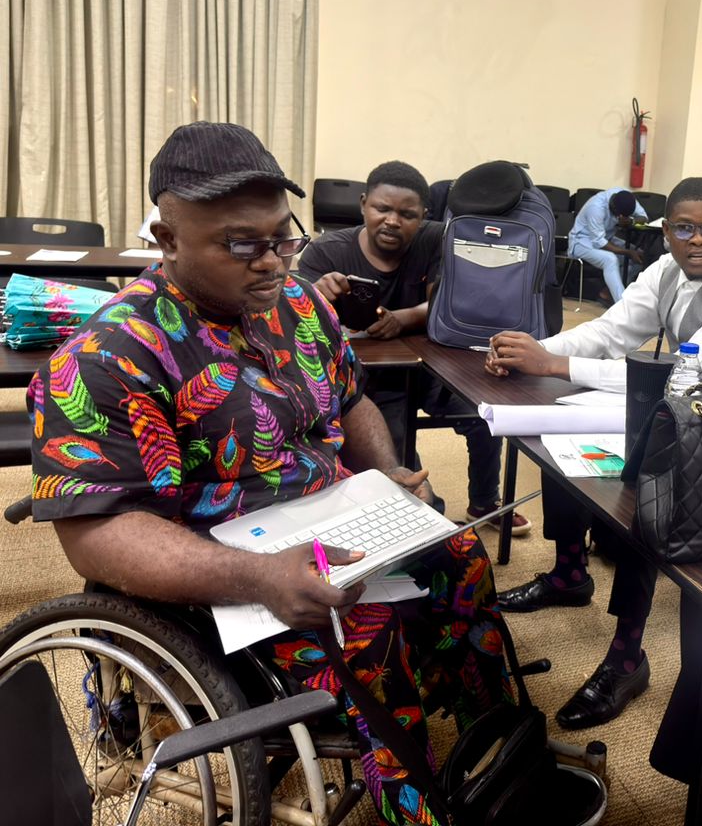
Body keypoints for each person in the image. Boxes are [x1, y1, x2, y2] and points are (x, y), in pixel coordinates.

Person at [28, 121, 513, 824]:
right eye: (241, 245)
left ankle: (488, 741)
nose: (272, 262)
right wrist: (258, 578)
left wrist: (390, 474)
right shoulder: (106, 357)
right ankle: (419, 801)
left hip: (327, 521)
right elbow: (95, 535)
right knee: (365, 627)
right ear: (167, 240)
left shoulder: (299, 305)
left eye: (283, 238)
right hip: (214, 572)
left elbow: (351, 399)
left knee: (462, 555)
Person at [485, 176, 702, 728]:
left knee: (647, 489)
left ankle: (627, 657)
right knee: (560, 435)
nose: (698, 240)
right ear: (666, 231)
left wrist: (555, 365)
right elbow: (609, 332)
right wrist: (534, 351)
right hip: (684, 420)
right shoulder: (665, 272)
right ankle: (569, 574)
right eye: (685, 228)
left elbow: (685, 373)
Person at [296, 160, 529, 534]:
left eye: (407, 214)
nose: (392, 221)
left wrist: (403, 319)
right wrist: (317, 297)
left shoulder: (437, 239)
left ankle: (484, 501)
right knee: (393, 450)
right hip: (370, 381)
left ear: (424, 215)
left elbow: (449, 300)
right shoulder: (327, 253)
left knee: (486, 416)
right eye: (382, 208)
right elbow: (296, 319)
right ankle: (425, 516)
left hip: (433, 369)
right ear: (363, 204)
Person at [568, 187, 648, 305]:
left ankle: (608, 293)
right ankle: (622, 305)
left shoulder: (627, 198)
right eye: (618, 215)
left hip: (607, 238)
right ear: (613, 206)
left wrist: (631, 221)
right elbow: (599, 242)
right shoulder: (596, 207)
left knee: (640, 256)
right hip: (581, 241)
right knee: (610, 260)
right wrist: (628, 252)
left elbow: (644, 217)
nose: (619, 218)